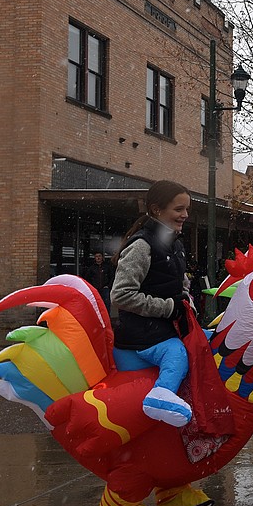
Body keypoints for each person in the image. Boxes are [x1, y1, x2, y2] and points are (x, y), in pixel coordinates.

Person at [110, 180, 194, 426]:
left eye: (186, 209)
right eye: (178, 209)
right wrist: (169, 307)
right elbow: (121, 295)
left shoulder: (175, 244)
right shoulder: (141, 246)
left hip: (161, 330)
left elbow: (180, 284)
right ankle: (160, 397)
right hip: (141, 337)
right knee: (177, 353)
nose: (185, 215)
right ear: (157, 210)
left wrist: (186, 299)